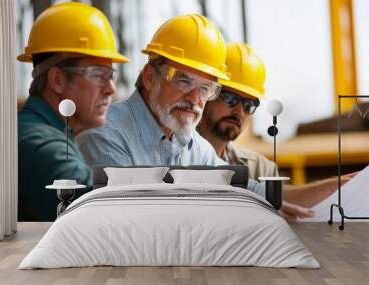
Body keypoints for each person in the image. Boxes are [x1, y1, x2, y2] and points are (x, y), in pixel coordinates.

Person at [76, 15, 313, 222]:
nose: (194, 98)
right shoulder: (105, 134)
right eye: (183, 80)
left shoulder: (190, 144)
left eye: (205, 88)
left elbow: (238, 184)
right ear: (149, 77)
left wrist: (273, 201)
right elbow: (136, 215)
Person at [198, 42, 354, 219]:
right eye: (230, 98)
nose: (239, 111)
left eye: (250, 104)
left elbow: (284, 200)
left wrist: (340, 186)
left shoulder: (259, 167)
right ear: (206, 93)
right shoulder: (174, 156)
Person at [17, 2, 128, 221]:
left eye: (110, 75)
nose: (111, 88)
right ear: (57, 80)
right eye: (98, 74)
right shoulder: (41, 146)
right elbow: (104, 211)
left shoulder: (46, 130)